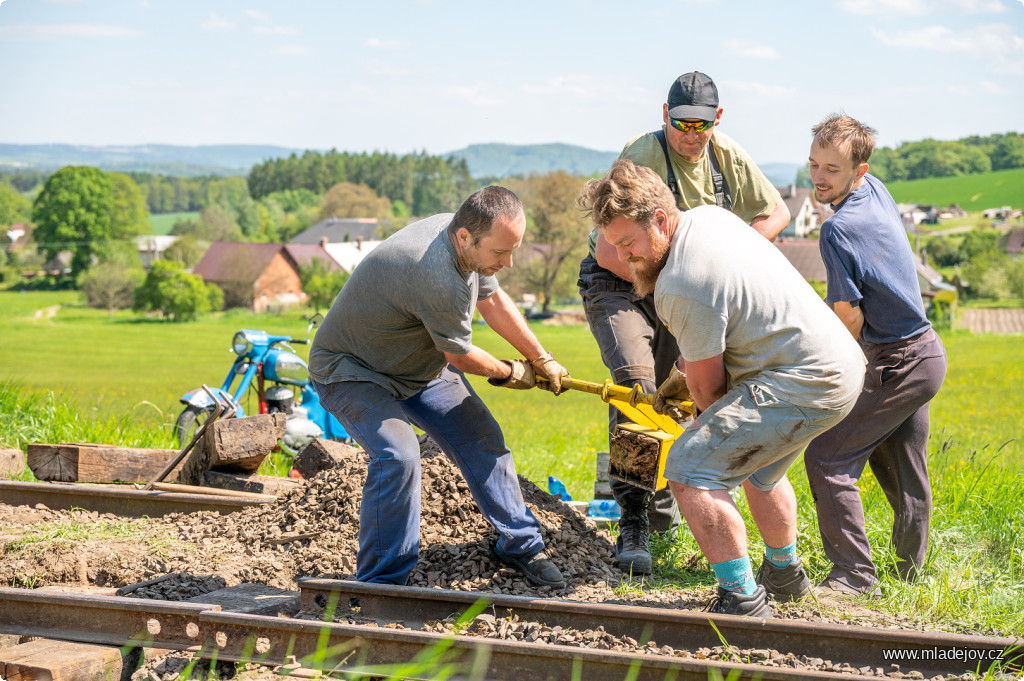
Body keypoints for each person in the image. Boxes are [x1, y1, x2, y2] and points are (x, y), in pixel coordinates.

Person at [577, 160, 865, 617]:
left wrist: (695, 427)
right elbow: (702, 355)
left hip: (801, 381)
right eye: (614, 246)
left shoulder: (680, 284)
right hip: (839, 368)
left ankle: (741, 598)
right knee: (760, 470)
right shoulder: (708, 218)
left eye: (629, 243)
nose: (625, 258)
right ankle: (785, 577)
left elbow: (709, 393)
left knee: (690, 471)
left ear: (660, 220)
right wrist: (676, 382)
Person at [577, 71, 791, 576]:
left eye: (701, 126)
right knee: (636, 385)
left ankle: (665, 509)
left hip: (681, 285)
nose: (691, 137)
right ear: (664, 116)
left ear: (717, 120)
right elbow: (612, 250)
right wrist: (681, 274)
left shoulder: (726, 156)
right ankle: (632, 519)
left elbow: (775, 212)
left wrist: (729, 260)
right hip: (622, 280)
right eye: (681, 125)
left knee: (683, 392)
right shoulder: (643, 155)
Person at [308, 186, 571, 589]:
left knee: (482, 437)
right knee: (398, 455)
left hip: (417, 365)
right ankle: (382, 582)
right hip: (354, 370)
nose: (509, 262)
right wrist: (509, 372)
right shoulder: (434, 272)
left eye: (512, 250)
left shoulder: (466, 241)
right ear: (465, 237)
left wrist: (541, 357)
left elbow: (494, 302)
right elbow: (461, 356)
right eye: (501, 253)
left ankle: (521, 544)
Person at [804, 114, 948, 597]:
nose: (819, 177)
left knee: (827, 458)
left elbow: (849, 321)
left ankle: (852, 576)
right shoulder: (876, 190)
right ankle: (911, 576)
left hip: (894, 360)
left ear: (859, 171)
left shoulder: (836, 231)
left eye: (833, 169)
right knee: (903, 469)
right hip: (927, 354)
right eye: (814, 164)